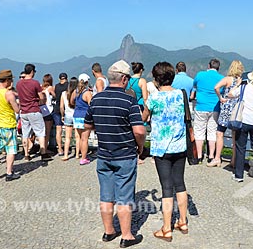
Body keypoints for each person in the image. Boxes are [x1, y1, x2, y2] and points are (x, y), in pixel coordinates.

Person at [84, 60, 145, 248]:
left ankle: (109, 231)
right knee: (125, 196)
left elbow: (87, 125)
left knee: (106, 194)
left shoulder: (96, 99)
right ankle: (127, 236)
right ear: (125, 78)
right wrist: (140, 147)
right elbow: (139, 131)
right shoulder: (129, 101)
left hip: (103, 154)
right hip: (125, 154)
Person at [142, 62, 188, 242]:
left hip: (161, 148)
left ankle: (166, 228)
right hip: (180, 146)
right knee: (180, 184)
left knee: (167, 187)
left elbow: (144, 118)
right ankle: (183, 222)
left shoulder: (153, 98)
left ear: (155, 79)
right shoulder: (180, 95)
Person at [0, 70, 20, 183]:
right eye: (11, 79)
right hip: (8, 124)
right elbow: (17, 109)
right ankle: (9, 173)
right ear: (7, 80)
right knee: (11, 149)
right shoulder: (8, 93)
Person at [191, 59, 224, 164]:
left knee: (199, 132)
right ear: (218, 68)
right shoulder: (221, 78)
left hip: (201, 106)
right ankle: (211, 156)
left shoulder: (200, 75)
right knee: (212, 132)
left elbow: (195, 85)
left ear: (208, 65)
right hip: (215, 108)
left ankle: (199, 156)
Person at [16, 64, 52, 161]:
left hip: (23, 111)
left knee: (25, 134)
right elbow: (41, 97)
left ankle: (26, 154)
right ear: (32, 71)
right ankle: (43, 153)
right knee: (40, 132)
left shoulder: (19, 84)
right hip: (34, 110)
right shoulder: (35, 83)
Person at [212, 60, 244, 167]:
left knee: (220, 133)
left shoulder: (227, 79)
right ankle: (234, 160)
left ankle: (217, 158)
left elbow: (216, 87)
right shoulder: (241, 81)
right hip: (236, 111)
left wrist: (220, 97)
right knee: (235, 137)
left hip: (225, 109)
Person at [72, 73, 92, 165]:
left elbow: (71, 101)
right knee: (85, 139)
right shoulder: (87, 93)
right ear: (87, 82)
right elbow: (91, 105)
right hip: (84, 116)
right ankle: (84, 158)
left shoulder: (75, 92)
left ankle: (80, 154)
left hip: (76, 116)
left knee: (80, 138)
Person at [60, 76, 78, 161]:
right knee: (78, 137)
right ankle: (77, 154)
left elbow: (61, 107)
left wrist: (62, 115)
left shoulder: (64, 93)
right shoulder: (77, 93)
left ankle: (66, 155)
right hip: (76, 115)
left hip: (67, 115)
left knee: (68, 137)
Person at [53, 73, 69, 156]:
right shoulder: (69, 86)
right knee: (68, 131)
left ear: (59, 79)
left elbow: (55, 96)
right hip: (67, 109)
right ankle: (67, 148)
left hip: (56, 109)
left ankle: (60, 149)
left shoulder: (56, 86)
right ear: (66, 78)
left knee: (58, 131)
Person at [41, 74, 56, 153]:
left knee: (42, 132)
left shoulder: (41, 87)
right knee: (47, 131)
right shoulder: (50, 88)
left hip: (41, 110)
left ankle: (42, 147)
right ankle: (45, 149)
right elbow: (55, 96)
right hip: (49, 110)